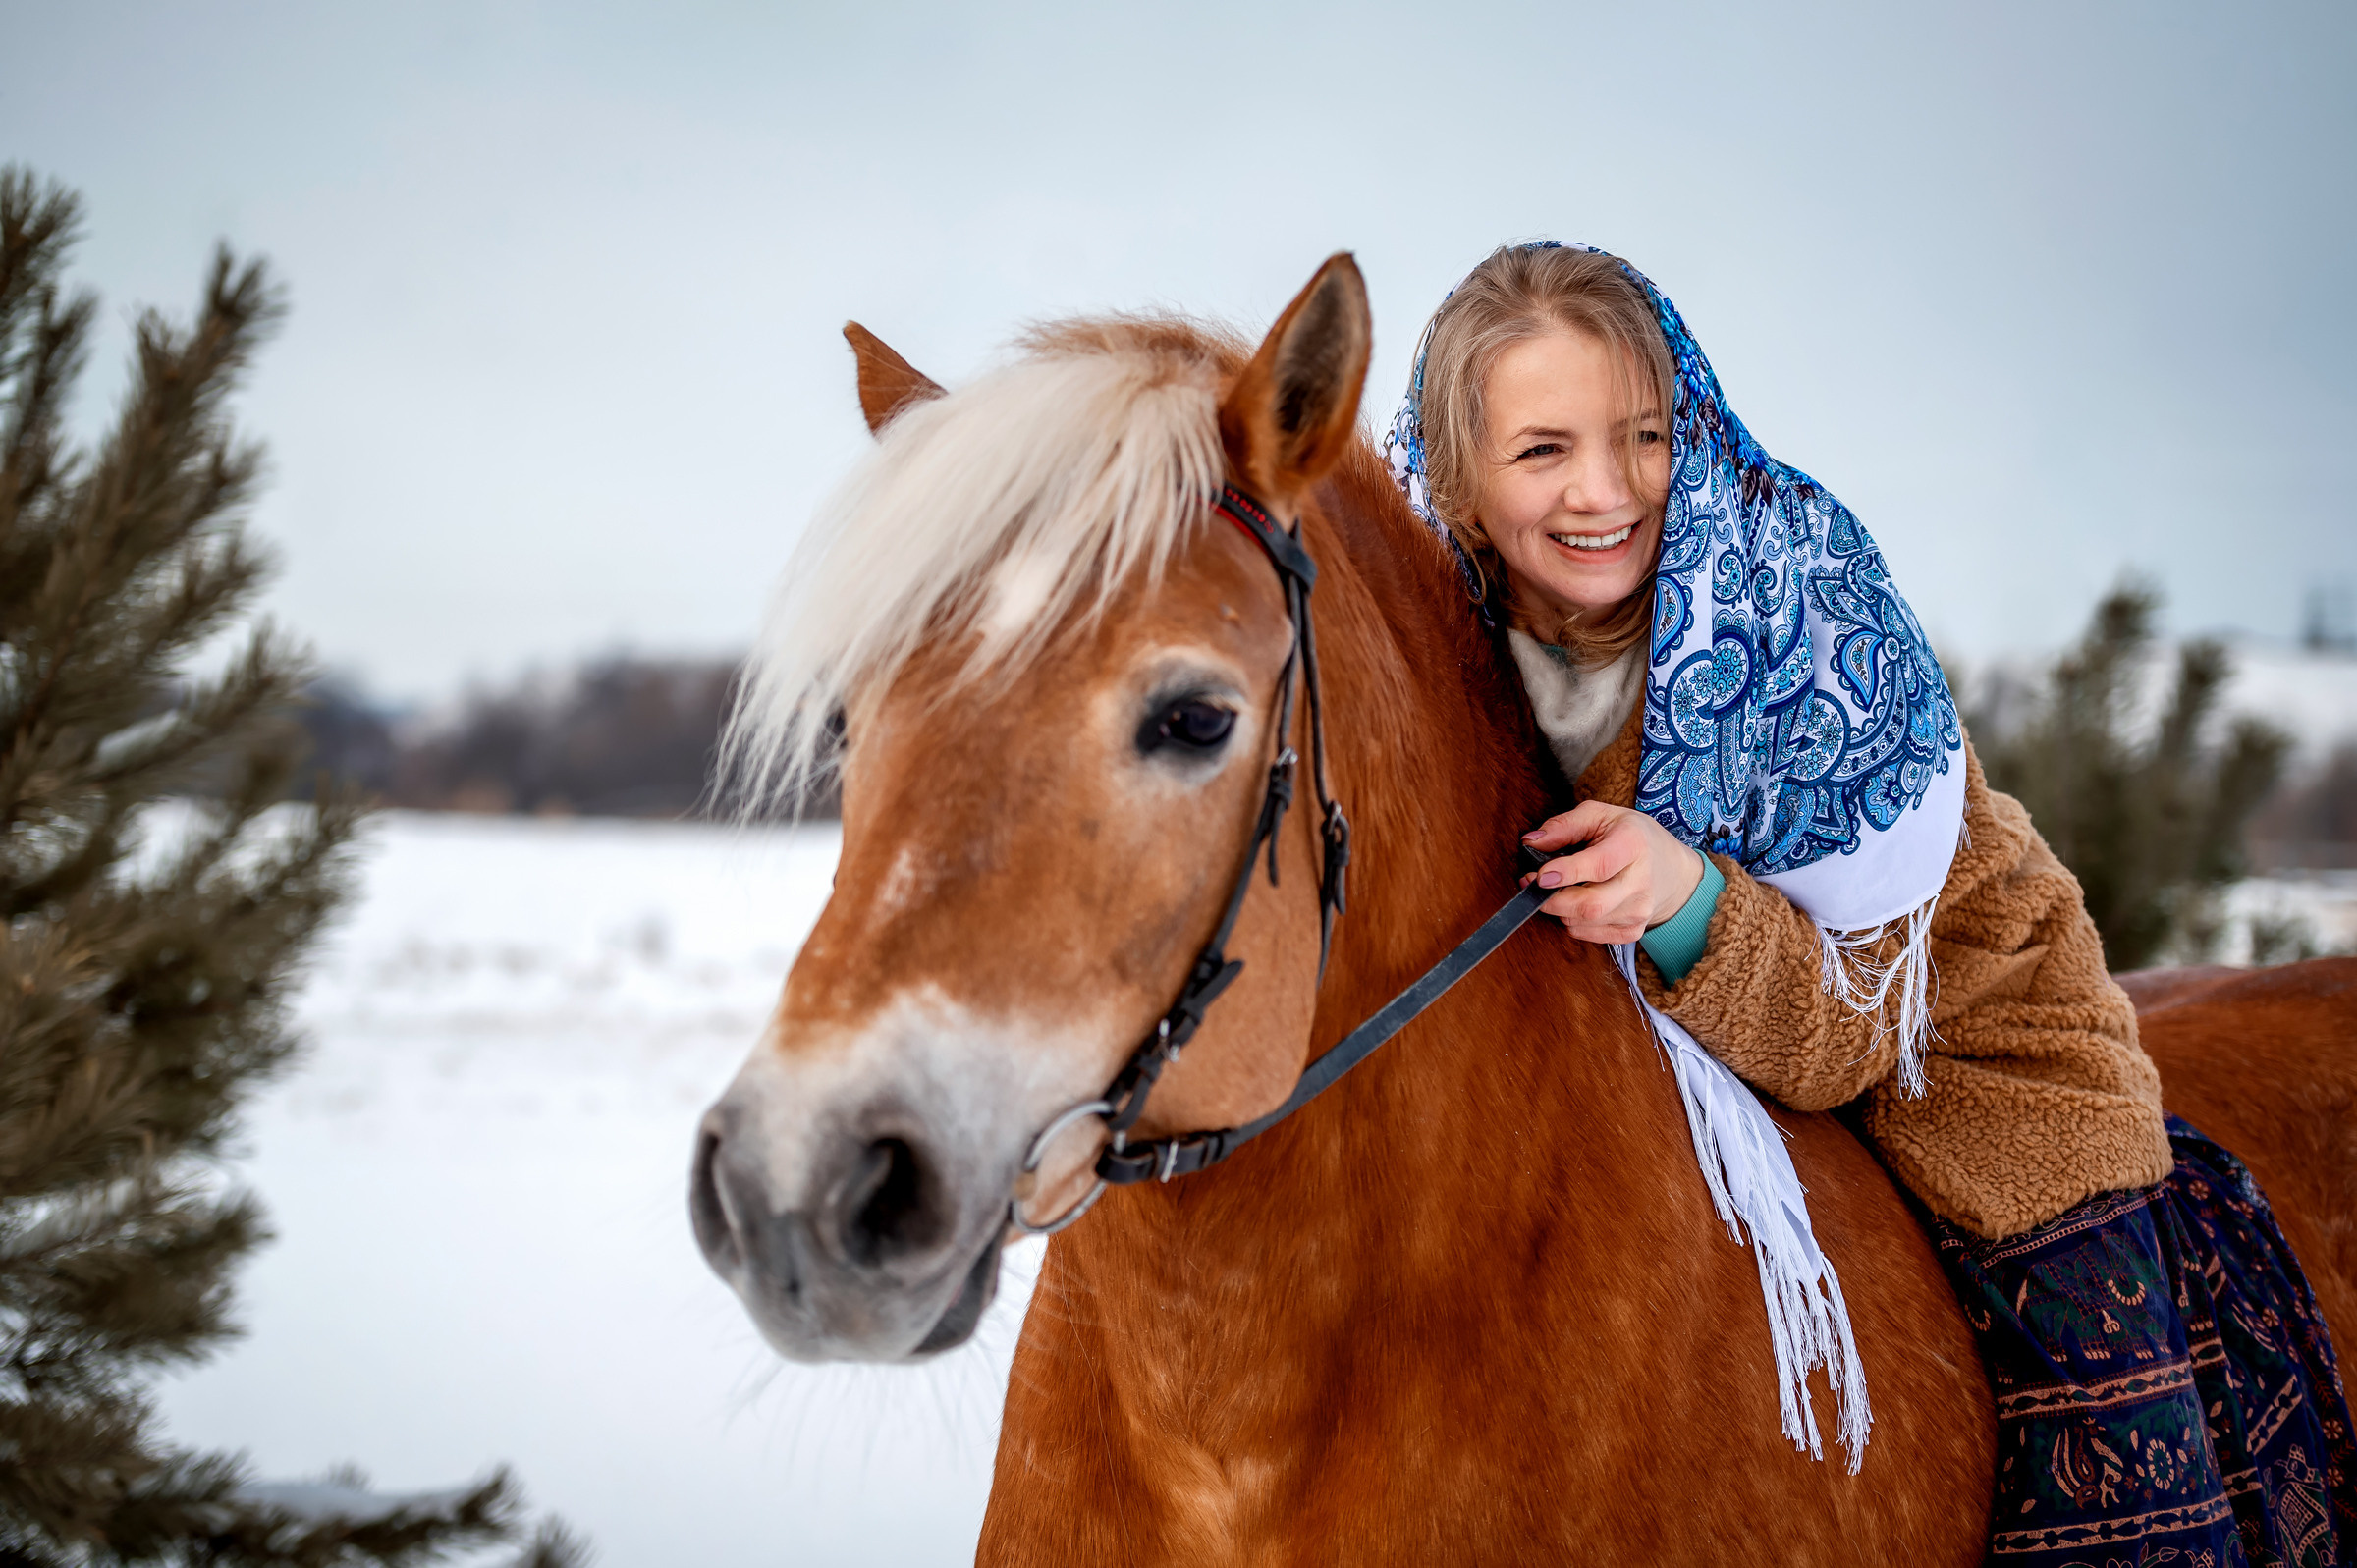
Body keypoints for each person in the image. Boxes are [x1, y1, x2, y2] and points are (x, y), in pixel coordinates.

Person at [1384, 241, 2355, 1565]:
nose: (1604, 490)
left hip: (1958, 1037)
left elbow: (1850, 1029)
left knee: (2117, 1475)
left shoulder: (1806, 605)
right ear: (1457, 478)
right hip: (1658, 1051)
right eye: (1543, 450)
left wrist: (1687, 901)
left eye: (1644, 436)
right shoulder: (1437, 644)